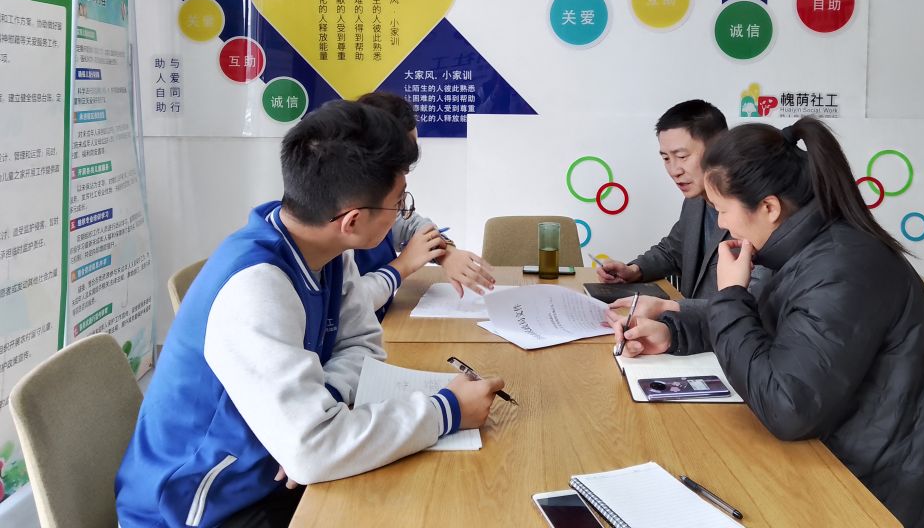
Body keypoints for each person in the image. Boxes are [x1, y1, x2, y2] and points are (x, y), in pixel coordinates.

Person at [115, 101, 504, 528]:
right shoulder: (255, 289)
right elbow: (312, 453)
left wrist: (322, 410)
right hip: (202, 508)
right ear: (352, 221)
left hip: (274, 469)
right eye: (400, 203)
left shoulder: (324, 246)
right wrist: (447, 411)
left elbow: (363, 342)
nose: (404, 214)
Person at [612, 117, 924, 527]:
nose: (723, 225)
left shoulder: (841, 267)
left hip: (904, 497)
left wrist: (730, 294)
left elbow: (786, 407)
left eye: (723, 211)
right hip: (860, 459)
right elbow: (761, 320)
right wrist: (673, 332)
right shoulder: (804, 246)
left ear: (769, 208)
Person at [599, 100, 763, 325]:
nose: (674, 170)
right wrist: (634, 270)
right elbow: (673, 250)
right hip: (692, 331)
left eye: (682, 156)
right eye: (666, 158)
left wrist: (668, 307)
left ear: (719, 148)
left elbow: (753, 302)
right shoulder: (695, 199)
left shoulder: (755, 211)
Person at [355, 91, 495, 319]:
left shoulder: (376, 204)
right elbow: (346, 305)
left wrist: (446, 252)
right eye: (403, 159)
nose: (407, 171)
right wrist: (403, 265)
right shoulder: (337, 217)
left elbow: (410, 225)